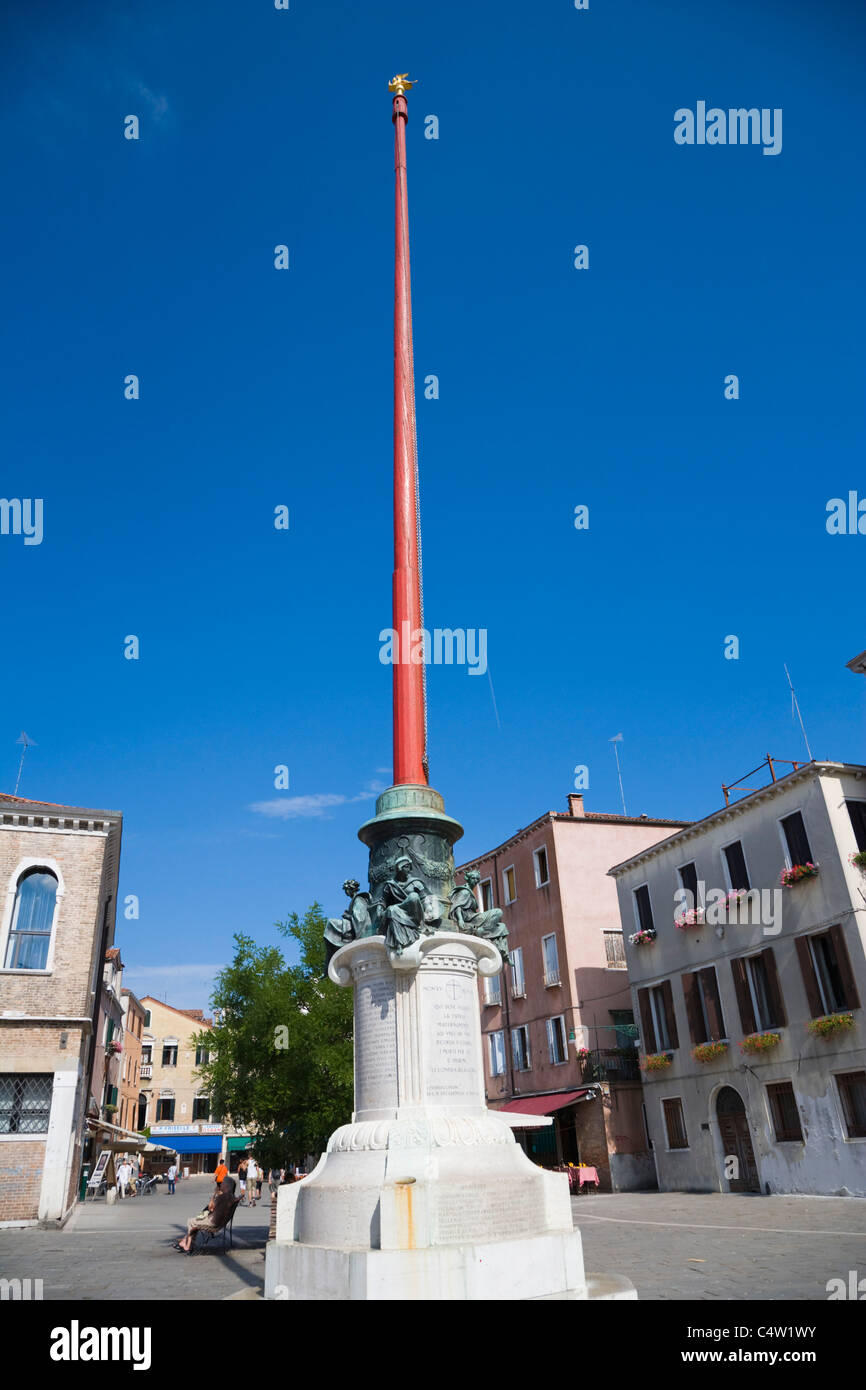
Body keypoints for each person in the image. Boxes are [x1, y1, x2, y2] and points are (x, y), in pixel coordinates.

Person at [174, 1177, 236, 1253]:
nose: (221, 1185)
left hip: (213, 1222)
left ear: (226, 1185)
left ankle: (187, 1246)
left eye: (222, 1184)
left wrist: (213, 1197)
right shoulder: (231, 1197)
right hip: (219, 1221)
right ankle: (184, 1242)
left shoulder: (223, 1197)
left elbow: (211, 1208)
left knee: (190, 1221)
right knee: (195, 1221)